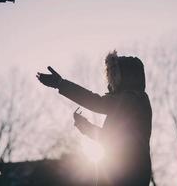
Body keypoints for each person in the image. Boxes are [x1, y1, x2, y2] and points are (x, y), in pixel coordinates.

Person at [36, 50, 152, 186]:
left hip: (130, 175)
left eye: (114, 75)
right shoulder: (122, 106)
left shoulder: (135, 99)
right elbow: (109, 139)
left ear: (127, 77)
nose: (111, 80)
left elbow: (97, 103)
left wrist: (61, 83)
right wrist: (86, 127)